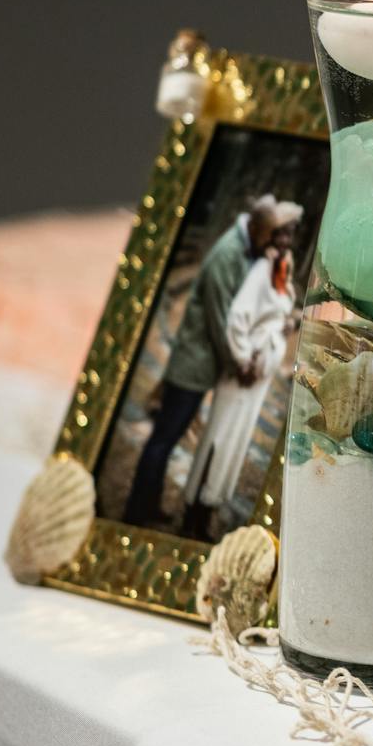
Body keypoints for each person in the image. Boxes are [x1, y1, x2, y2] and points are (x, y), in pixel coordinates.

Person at [121, 194, 283, 531]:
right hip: (191, 367)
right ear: (254, 228)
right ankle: (137, 511)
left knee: (166, 437)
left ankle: (145, 505)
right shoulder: (227, 255)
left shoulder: (242, 248)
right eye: (268, 234)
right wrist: (238, 362)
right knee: (164, 438)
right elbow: (219, 317)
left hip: (197, 365)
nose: (269, 241)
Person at [180, 203, 301, 540]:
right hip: (242, 375)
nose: (288, 238)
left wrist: (288, 323)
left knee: (234, 441)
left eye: (292, 232)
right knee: (220, 436)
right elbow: (238, 317)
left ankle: (209, 506)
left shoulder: (280, 270)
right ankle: (196, 511)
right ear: (274, 234)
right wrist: (243, 358)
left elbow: (270, 316)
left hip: (257, 379)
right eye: (284, 232)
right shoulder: (262, 270)